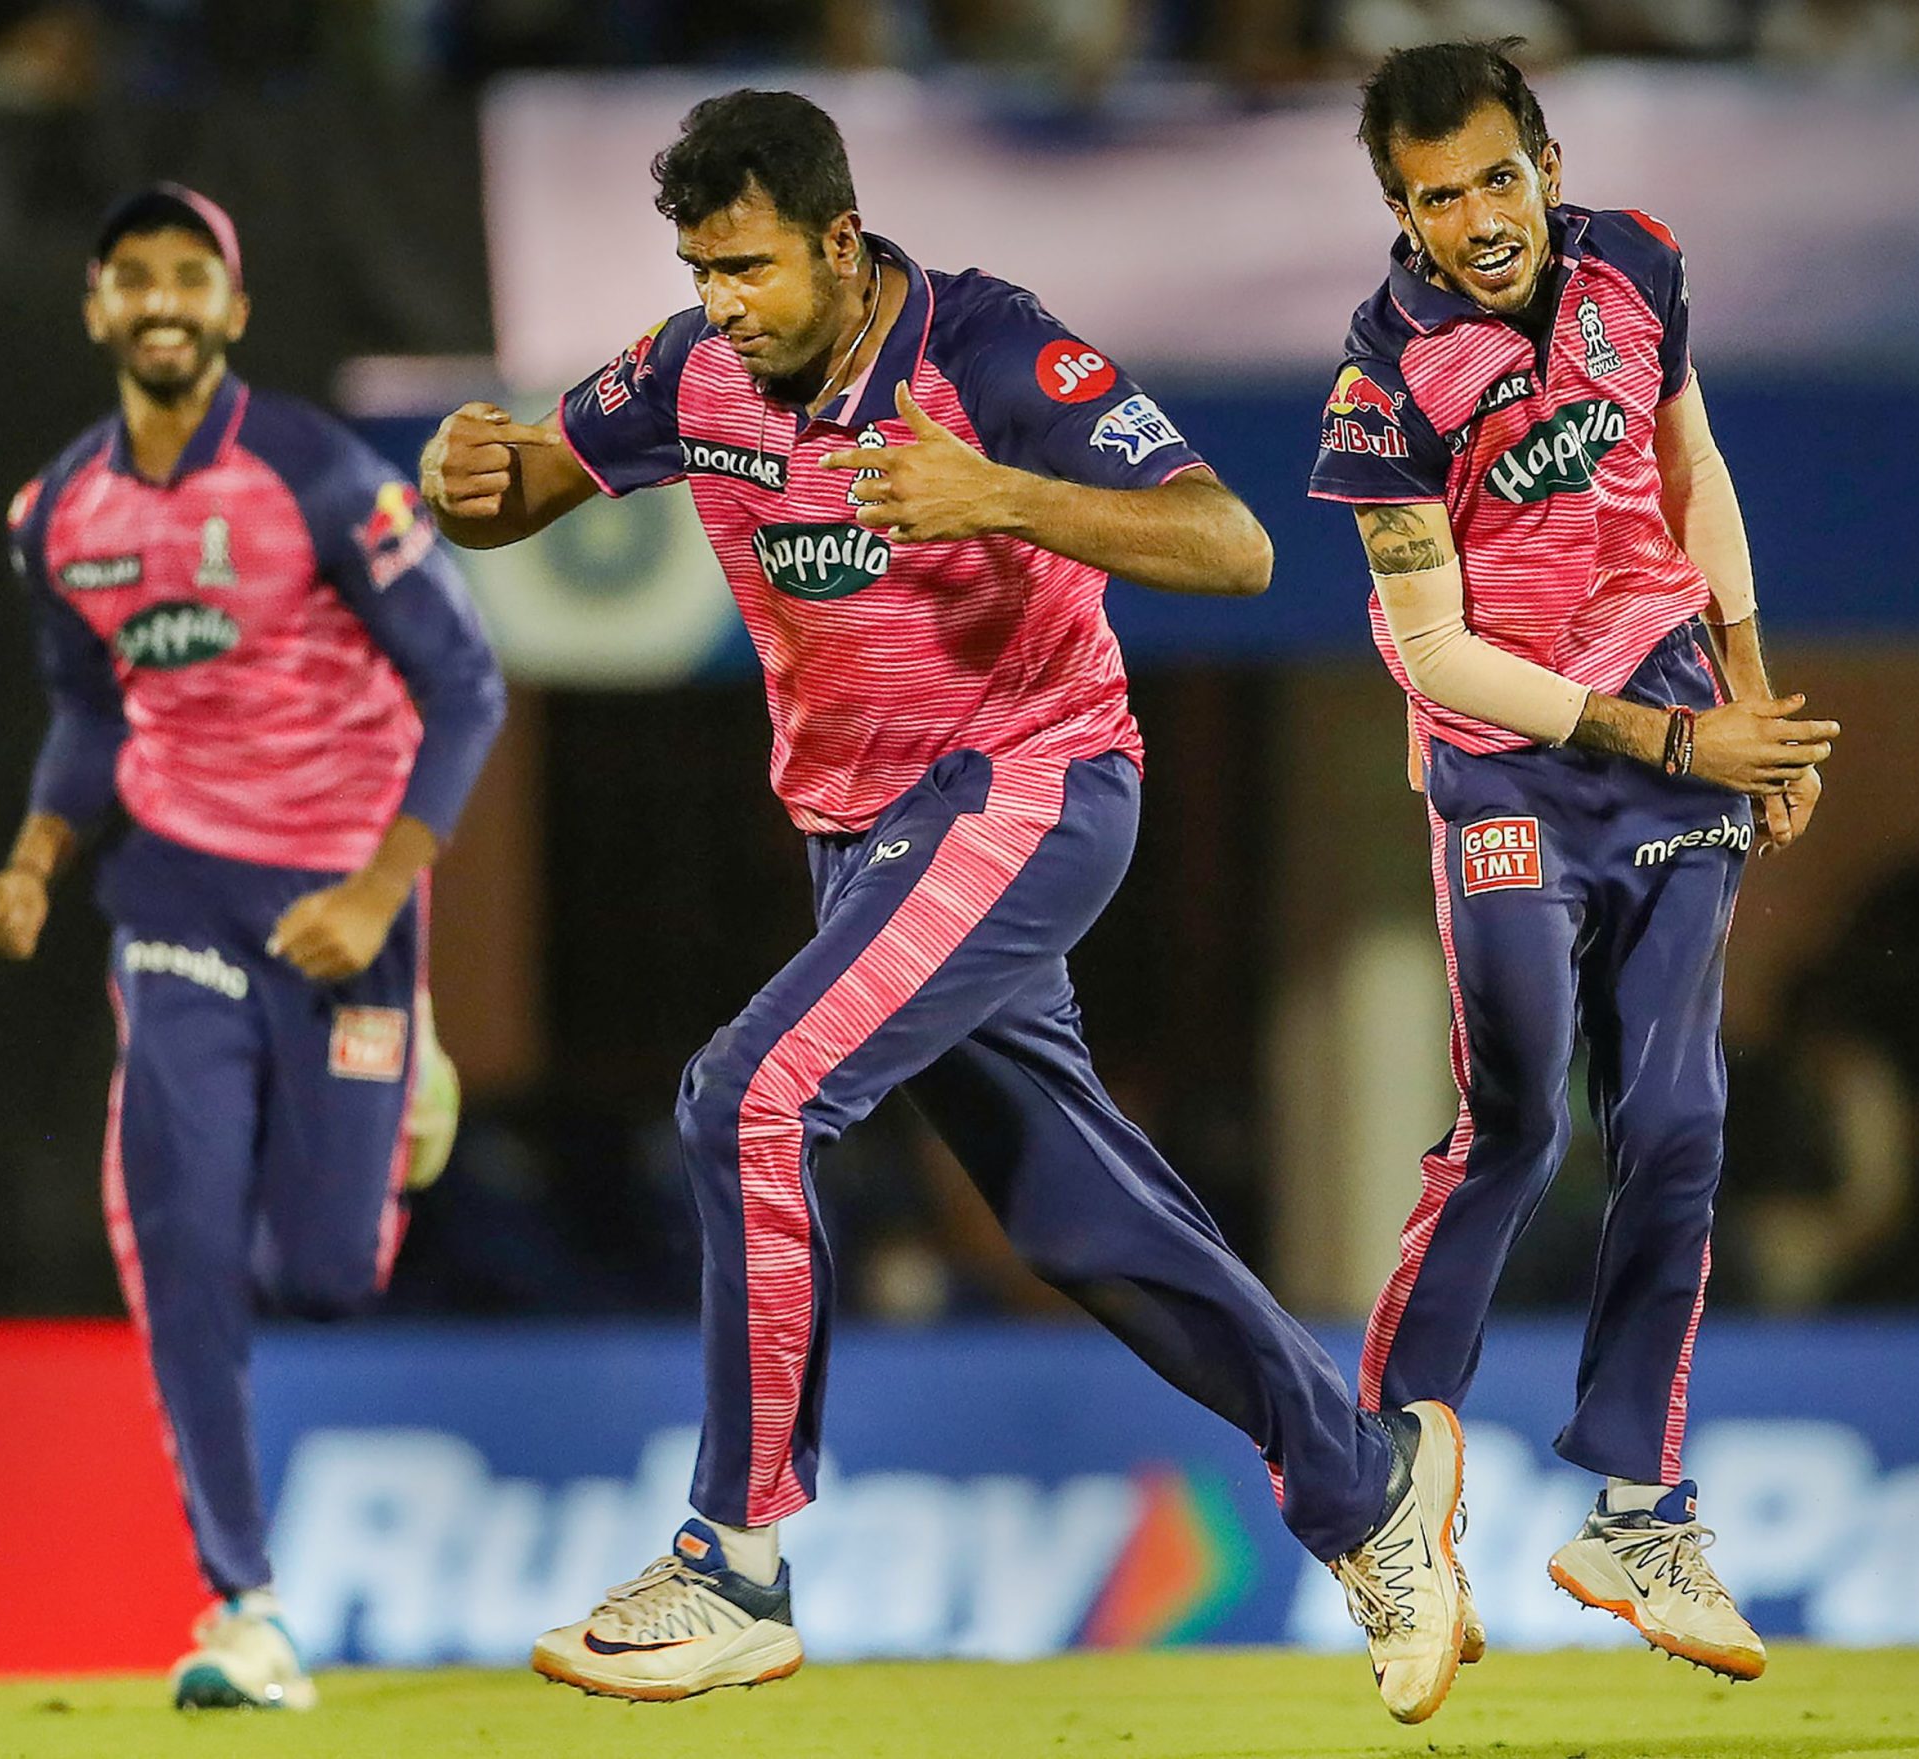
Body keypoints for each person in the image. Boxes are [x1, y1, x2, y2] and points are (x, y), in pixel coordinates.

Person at [421, 89, 1468, 1722]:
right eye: (702, 271)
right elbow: (523, 488)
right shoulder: (694, 373)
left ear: (841, 242)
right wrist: (466, 477)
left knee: (748, 1101)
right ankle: (1367, 1483)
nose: (724, 304)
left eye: (752, 267)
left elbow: (1234, 546)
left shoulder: (986, 352)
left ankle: (733, 1561)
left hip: (1029, 789)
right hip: (865, 840)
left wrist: (1002, 495)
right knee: (1073, 1215)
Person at [1309, 41, 1838, 1681]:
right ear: (1399, 211)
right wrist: (1678, 742)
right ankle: (1386, 1495)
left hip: (1674, 707)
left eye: (1496, 176)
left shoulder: (1639, 263)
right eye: (1434, 197)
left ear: (1545, 159)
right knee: (1523, 1120)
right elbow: (1436, 655)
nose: (1477, 219)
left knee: (1677, 1121)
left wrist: (1743, 685)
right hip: (1511, 769)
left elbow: (1692, 466)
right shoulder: (1385, 383)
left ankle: (1637, 1513)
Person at [0, 183, 504, 1711]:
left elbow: (466, 686)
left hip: (342, 906)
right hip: (178, 902)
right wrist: (35, 862)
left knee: (323, 1277)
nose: (161, 300)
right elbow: (90, 715)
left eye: (190, 275)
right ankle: (243, 1608)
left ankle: (407, 1086)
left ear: (235, 309)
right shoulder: (57, 516)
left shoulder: (319, 476)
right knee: (181, 1237)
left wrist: (381, 894)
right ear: (96, 307)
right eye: (132, 275)